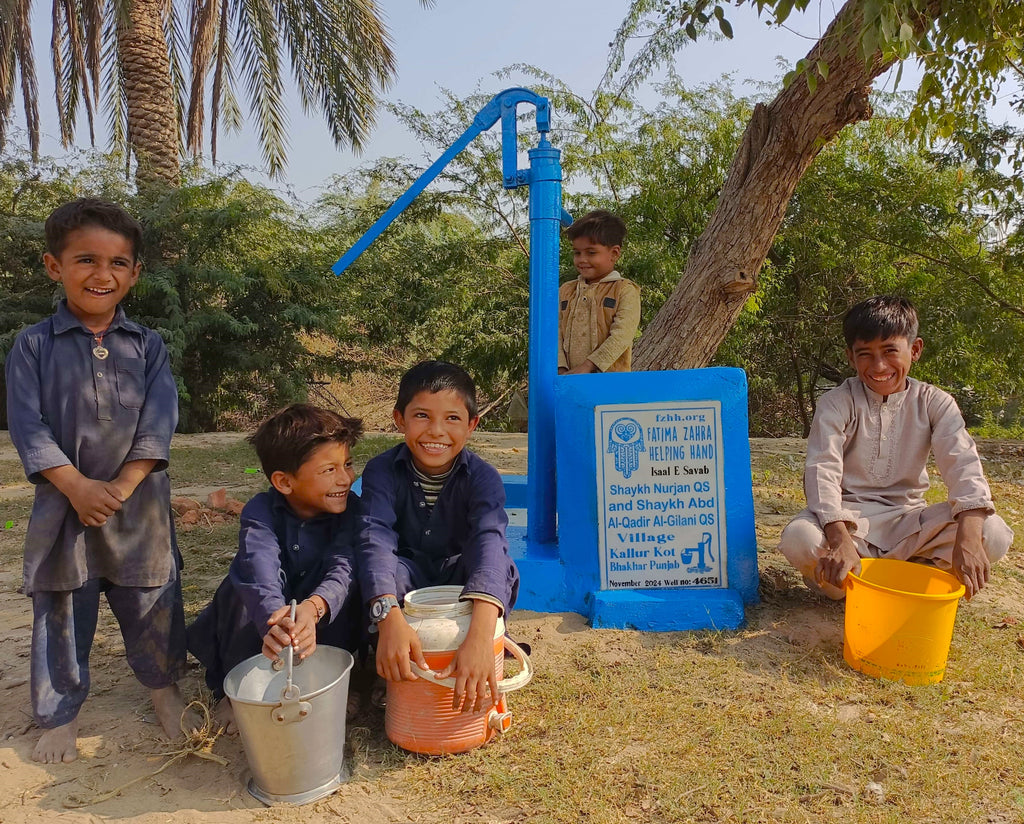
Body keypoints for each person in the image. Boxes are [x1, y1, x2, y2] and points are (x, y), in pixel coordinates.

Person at [5, 198, 193, 764]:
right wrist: (78, 487)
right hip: (66, 510)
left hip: (141, 511)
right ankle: (59, 715)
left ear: (134, 274)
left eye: (117, 263)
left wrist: (125, 485)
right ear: (52, 266)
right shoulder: (33, 346)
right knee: (61, 608)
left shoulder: (148, 345)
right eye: (86, 260)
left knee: (154, 602)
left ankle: (165, 694)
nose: (102, 274)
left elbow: (160, 421)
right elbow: (27, 426)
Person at [779, 295, 1013, 600]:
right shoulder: (837, 402)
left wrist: (967, 538)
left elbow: (963, 466)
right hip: (849, 525)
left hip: (910, 523)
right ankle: (857, 582)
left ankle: (907, 580)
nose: (879, 366)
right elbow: (821, 471)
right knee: (800, 538)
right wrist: (838, 537)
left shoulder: (935, 403)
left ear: (914, 350)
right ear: (851, 357)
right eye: (865, 354)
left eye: (890, 351)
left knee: (990, 533)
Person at [187, 404, 364, 730]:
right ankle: (235, 690)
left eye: (348, 464)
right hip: (270, 618)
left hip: (319, 616)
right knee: (240, 587)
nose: (346, 478)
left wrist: (314, 607)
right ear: (284, 481)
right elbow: (259, 566)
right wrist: (274, 618)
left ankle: (336, 678)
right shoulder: (260, 511)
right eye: (329, 470)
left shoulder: (352, 512)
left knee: (353, 586)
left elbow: (343, 566)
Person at [358, 361, 519, 713]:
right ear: (399, 419)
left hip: (459, 580)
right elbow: (375, 538)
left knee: (500, 565)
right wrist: (389, 616)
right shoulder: (382, 472)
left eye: (452, 418)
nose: (435, 432)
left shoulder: (483, 478)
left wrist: (480, 638)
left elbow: (489, 543)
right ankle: (393, 662)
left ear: (472, 425)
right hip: (405, 580)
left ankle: (484, 645)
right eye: (421, 416)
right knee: (381, 570)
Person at [558, 209, 641, 375]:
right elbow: (555, 332)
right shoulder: (566, 290)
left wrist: (587, 367)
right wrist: (561, 369)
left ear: (614, 254)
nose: (582, 259)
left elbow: (621, 337)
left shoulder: (625, 290)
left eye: (591, 253)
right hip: (566, 381)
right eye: (577, 253)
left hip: (608, 386)